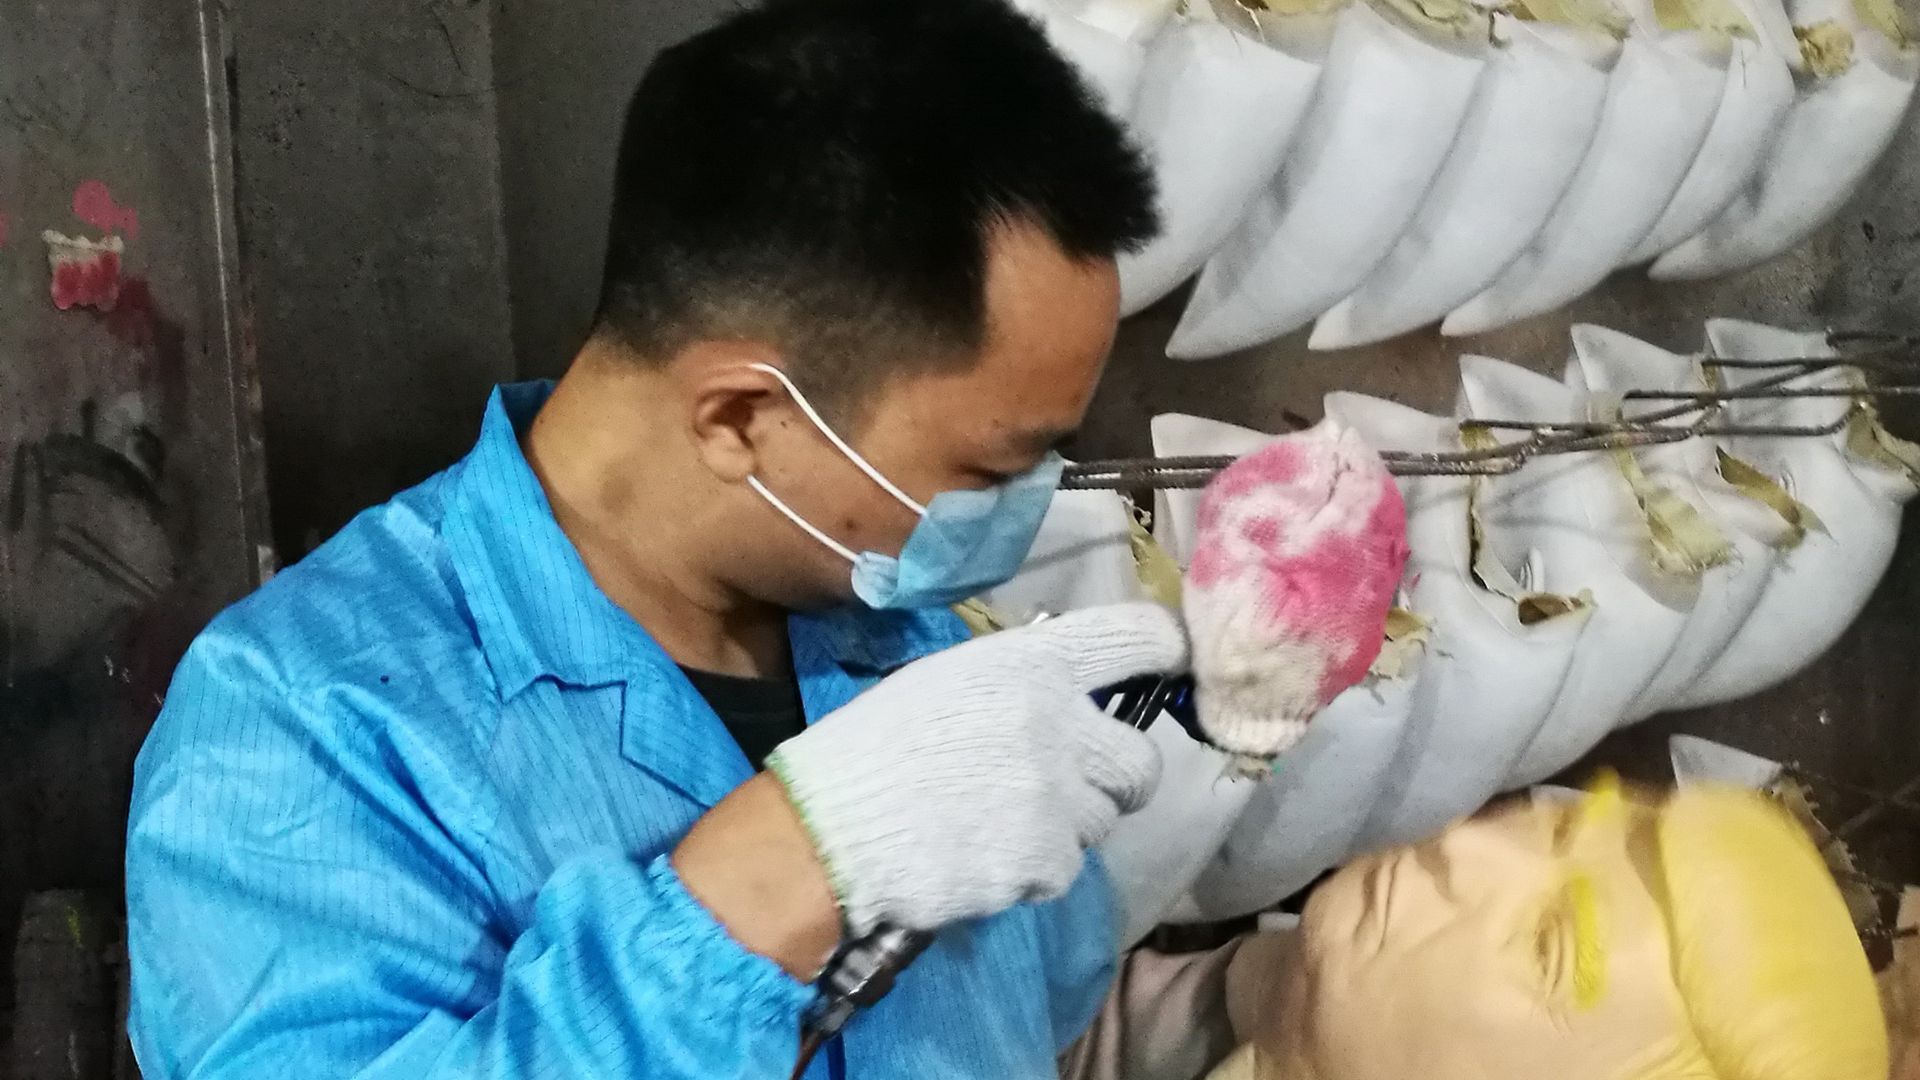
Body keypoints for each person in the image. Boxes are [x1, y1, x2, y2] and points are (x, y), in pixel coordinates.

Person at [123, 1, 1186, 1076]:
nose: (1028, 503)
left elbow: (1028, 1021)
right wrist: (778, 881)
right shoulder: (305, 733)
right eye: (994, 470)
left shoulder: (899, 637)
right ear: (739, 420)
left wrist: (1246, 1004)